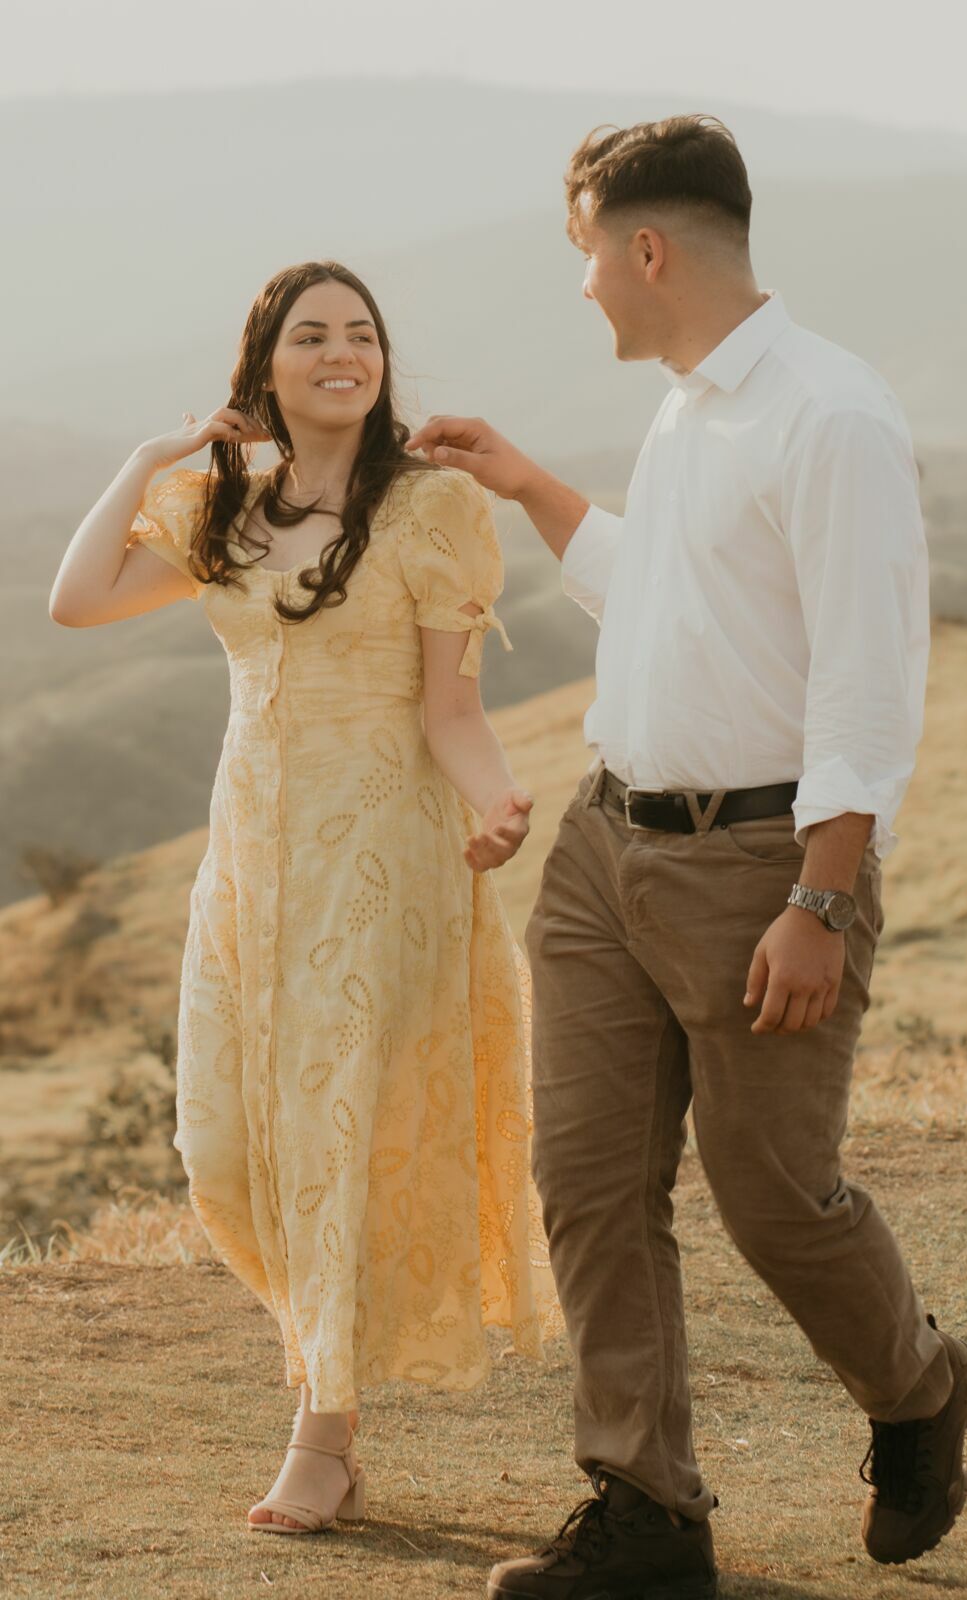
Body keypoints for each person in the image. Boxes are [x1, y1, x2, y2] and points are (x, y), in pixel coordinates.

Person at [406, 115, 967, 1597]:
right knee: (592, 1182)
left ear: (645, 248)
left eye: (587, 256)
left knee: (772, 1191)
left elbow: (868, 682)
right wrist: (536, 489)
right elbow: (670, 601)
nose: (584, 287)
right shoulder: (686, 404)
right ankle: (646, 1511)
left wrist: (818, 896)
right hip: (607, 848)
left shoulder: (828, 415)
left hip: (762, 866)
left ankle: (920, 1390)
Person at [50, 259, 559, 1535]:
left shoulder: (434, 506)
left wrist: (499, 802)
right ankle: (324, 1362)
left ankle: (320, 1437)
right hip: (250, 866)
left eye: (363, 334)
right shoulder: (223, 505)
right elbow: (78, 599)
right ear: (265, 364)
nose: (343, 352)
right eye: (311, 335)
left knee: (336, 1128)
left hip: (382, 861)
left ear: (384, 361)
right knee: (223, 1144)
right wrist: (150, 452)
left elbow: (453, 705)